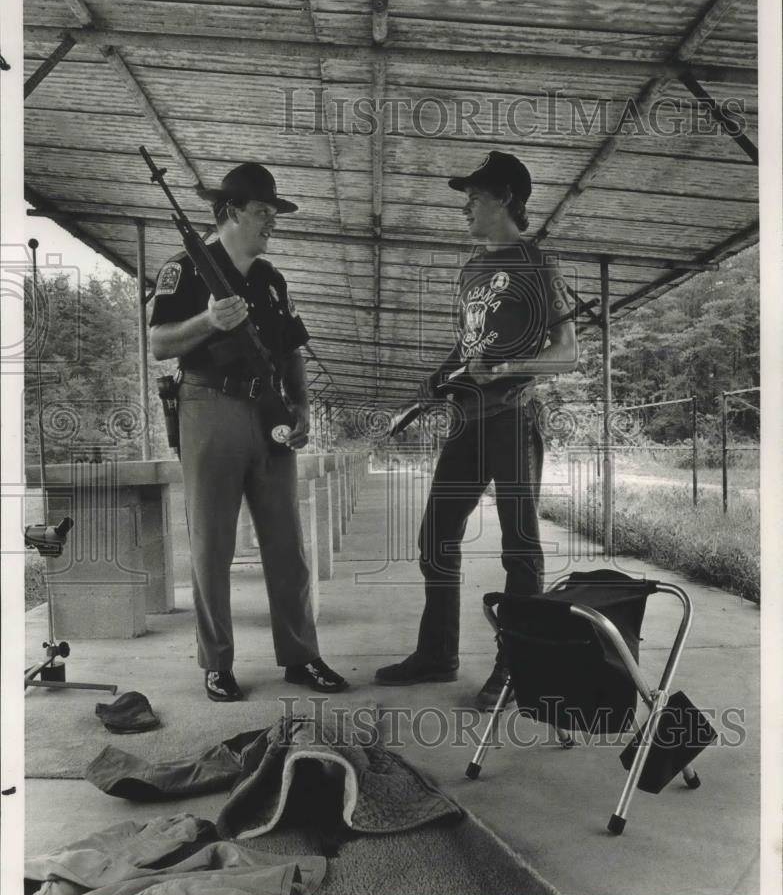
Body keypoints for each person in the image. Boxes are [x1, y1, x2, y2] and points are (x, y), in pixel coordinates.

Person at [374, 151, 578, 708]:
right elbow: (469, 349)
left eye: (476, 197)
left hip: (513, 419)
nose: (465, 206)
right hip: (467, 422)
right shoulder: (471, 270)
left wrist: (510, 369)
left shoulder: (539, 265)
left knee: (521, 548)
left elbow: (567, 354)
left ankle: (515, 668)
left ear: (507, 199)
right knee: (435, 539)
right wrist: (434, 381)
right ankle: (438, 655)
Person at [149, 162, 348, 701]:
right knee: (211, 543)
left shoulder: (271, 280)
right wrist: (209, 322)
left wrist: (302, 408)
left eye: (273, 215)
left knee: (287, 543)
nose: (270, 224)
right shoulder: (184, 270)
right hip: (208, 407)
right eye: (262, 213)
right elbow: (160, 343)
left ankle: (301, 657)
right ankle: (217, 663)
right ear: (230, 213)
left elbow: (289, 350)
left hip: (269, 413)